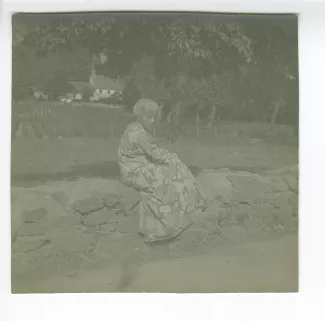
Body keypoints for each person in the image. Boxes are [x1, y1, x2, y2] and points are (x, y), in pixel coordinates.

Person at [118, 98, 207, 244]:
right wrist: (170, 156)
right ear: (140, 117)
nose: (152, 121)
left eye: (154, 117)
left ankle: (191, 203)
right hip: (135, 172)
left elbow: (151, 152)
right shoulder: (140, 135)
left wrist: (167, 156)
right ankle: (173, 220)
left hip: (131, 168)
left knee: (173, 167)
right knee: (173, 171)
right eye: (149, 117)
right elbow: (156, 155)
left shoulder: (133, 128)